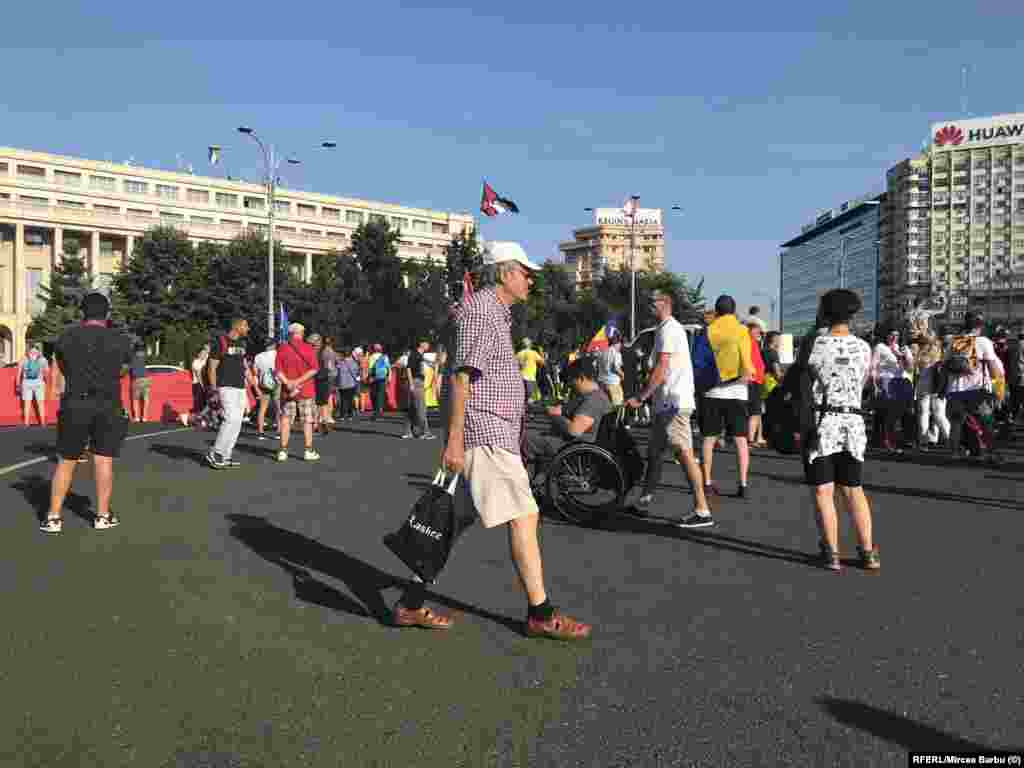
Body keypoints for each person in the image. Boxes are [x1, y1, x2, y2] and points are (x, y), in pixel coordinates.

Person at [394, 241, 592, 641]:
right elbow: (460, 377)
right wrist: (453, 440)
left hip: (491, 430)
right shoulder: (482, 312)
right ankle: (541, 613)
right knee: (524, 514)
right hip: (484, 431)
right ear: (504, 273)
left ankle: (409, 603)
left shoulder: (492, 313)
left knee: (451, 520)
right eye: (525, 271)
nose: (531, 278)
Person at [41, 292, 133, 533]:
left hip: (75, 403)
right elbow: (124, 370)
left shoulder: (67, 337)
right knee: (103, 460)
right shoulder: (119, 339)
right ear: (108, 314)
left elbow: (62, 366)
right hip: (107, 404)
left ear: (82, 312)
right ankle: (102, 516)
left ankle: (53, 517)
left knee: (66, 461)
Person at [802, 289, 879, 572]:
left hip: (822, 423)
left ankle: (831, 552)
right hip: (854, 424)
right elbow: (867, 382)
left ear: (824, 312)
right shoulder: (863, 347)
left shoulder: (815, 344)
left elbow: (800, 379)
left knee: (823, 490)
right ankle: (868, 552)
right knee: (853, 489)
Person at [625, 288, 711, 526]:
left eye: (651, 302)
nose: (648, 305)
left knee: (684, 454)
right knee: (654, 455)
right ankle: (643, 503)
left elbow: (661, 370)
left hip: (675, 403)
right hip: (665, 404)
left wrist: (641, 397)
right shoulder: (663, 330)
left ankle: (702, 509)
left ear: (664, 304)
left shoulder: (670, 330)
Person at [701, 295, 754, 499]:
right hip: (737, 392)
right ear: (733, 310)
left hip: (712, 391)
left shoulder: (708, 331)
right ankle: (743, 483)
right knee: (741, 440)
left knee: (709, 438)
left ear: (717, 311)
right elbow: (746, 361)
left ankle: (706, 482)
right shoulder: (742, 331)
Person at [525, 355, 611, 467]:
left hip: (574, 447)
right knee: (533, 437)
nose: (571, 385)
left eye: (572, 380)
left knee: (525, 438)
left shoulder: (593, 401)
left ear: (581, 378)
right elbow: (565, 409)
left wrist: (555, 416)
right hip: (574, 443)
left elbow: (574, 430)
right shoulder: (592, 396)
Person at [944, 313, 1004, 461]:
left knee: (956, 424)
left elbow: (944, 365)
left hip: (955, 390)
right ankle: (991, 453)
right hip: (976, 390)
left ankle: (954, 454)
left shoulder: (954, 341)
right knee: (987, 422)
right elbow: (992, 368)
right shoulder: (983, 341)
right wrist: (999, 388)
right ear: (979, 326)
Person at [206, 318, 250, 469]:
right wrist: (213, 390)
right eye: (245, 325)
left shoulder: (243, 344)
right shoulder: (220, 342)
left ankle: (226, 455)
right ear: (237, 326)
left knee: (237, 422)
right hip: (225, 387)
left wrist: (252, 384)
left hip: (240, 388)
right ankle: (215, 452)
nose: (248, 328)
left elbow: (244, 365)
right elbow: (211, 367)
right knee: (230, 419)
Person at [275, 323, 320, 462]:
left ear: (290, 333)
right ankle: (308, 450)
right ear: (301, 333)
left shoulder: (282, 348)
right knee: (307, 420)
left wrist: (289, 382)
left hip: (288, 390)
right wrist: (298, 381)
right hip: (305, 389)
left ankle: (282, 450)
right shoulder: (308, 348)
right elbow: (314, 369)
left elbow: (277, 370)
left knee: (286, 420)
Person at [871, 329, 915, 454]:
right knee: (889, 414)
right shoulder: (880, 347)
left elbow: (911, 369)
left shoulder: (902, 348)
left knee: (902, 414)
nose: (894, 337)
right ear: (886, 335)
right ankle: (888, 442)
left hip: (901, 383)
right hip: (886, 382)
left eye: (897, 335)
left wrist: (904, 356)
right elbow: (873, 366)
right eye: (892, 334)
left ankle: (900, 440)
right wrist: (874, 384)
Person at [914, 336, 950, 450]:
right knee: (940, 415)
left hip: (924, 387)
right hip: (938, 388)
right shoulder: (940, 354)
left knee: (924, 414)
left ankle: (923, 441)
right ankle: (950, 439)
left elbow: (916, 371)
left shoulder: (921, 356)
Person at [402, 339, 435, 440]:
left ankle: (408, 432)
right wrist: (411, 383)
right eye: (427, 343)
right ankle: (425, 432)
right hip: (416, 382)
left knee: (412, 408)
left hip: (417, 382)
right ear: (421, 344)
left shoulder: (419, 355)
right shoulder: (415, 354)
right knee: (421, 408)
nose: (429, 345)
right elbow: (408, 368)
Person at [746, 319, 768, 448]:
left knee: (756, 411)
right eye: (757, 330)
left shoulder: (753, 342)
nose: (759, 332)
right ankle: (750, 439)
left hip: (756, 380)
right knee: (754, 411)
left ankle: (753, 438)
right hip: (753, 380)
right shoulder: (748, 342)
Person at [17, 344, 49, 426]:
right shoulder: (43, 360)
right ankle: (43, 423)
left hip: (26, 382)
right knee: (40, 403)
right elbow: (47, 373)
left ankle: (26, 423)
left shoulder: (23, 359)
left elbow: (19, 373)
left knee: (27, 404)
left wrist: (17, 385)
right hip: (39, 382)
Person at [253, 340, 279, 440]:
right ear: (274, 345)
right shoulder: (277, 354)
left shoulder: (258, 356)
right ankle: (279, 432)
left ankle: (260, 432)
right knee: (278, 408)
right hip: (276, 382)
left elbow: (255, 371)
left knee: (262, 408)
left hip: (263, 383)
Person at [596, 336, 624, 407]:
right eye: (620, 344)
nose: (620, 346)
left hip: (602, 384)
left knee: (603, 407)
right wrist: (622, 375)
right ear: (617, 343)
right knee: (616, 408)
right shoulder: (616, 353)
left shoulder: (602, 352)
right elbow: (616, 368)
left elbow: (596, 366)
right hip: (613, 384)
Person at [516, 338, 545, 405]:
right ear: (530, 345)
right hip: (530, 377)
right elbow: (542, 362)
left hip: (520, 377)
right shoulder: (533, 353)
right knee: (531, 398)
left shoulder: (518, 354)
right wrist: (541, 352)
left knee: (522, 397)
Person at [335, 347, 360, 422]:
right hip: (351, 383)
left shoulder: (340, 363)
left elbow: (337, 372)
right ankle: (350, 415)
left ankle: (342, 415)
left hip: (342, 384)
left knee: (343, 399)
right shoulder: (354, 363)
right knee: (350, 399)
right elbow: (356, 373)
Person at [367, 343, 390, 420]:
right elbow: (388, 367)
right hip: (382, 377)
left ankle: (375, 413)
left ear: (374, 349)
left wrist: (369, 377)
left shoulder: (371, 357)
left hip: (374, 378)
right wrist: (389, 377)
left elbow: (370, 368)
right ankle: (379, 413)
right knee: (380, 395)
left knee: (374, 395)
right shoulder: (385, 357)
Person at [128, 342, 150, 423]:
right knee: (146, 399)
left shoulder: (132, 357)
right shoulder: (145, 356)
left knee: (135, 399)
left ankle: (137, 417)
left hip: (136, 379)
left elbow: (128, 368)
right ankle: (144, 417)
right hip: (146, 379)